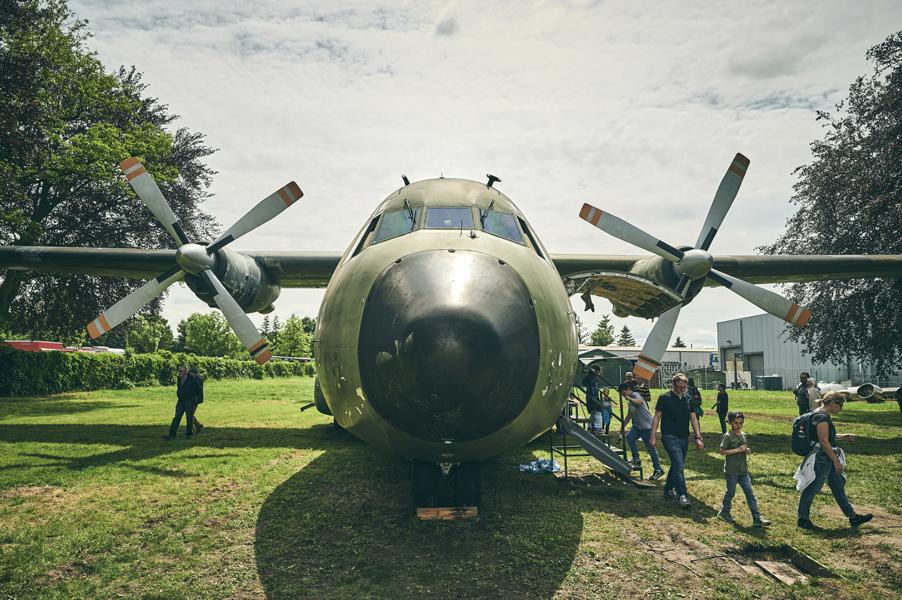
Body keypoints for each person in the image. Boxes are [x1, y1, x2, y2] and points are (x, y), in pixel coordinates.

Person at [796, 392, 873, 529]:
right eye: (840, 405)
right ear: (832, 403)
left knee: (838, 488)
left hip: (825, 458)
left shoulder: (817, 414)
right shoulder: (822, 417)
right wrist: (836, 462)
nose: (841, 408)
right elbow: (824, 442)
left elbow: (826, 436)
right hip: (823, 459)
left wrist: (843, 437)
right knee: (812, 489)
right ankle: (803, 519)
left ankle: (853, 517)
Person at [650, 373, 704, 508]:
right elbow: (657, 417)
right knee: (679, 466)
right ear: (674, 385)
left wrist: (698, 437)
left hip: (683, 437)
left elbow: (694, 419)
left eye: (684, 387)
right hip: (669, 436)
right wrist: (653, 436)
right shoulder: (664, 398)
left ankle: (668, 489)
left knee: (676, 465)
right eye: (679, 386)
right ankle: (682, 495)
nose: (681, 389)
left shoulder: (688, 399)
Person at [716, 412, 770, 527]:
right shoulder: (727, 436)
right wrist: (738, 450)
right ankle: (724, 512)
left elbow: (744, 448)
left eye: (741, 423)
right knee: (730, 492)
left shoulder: (744, 435)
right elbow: (722, 452)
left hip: (743, 470)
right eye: (736, 423)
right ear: (730, 423)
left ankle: (757, 518)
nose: (738, 425)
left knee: (750, 493)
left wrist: (747, 450)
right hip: (731, 471)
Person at [620, 380, 665, 480]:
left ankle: (658, 470)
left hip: (647, 427)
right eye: (622, 394)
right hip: (637, 427)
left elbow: (640, 402)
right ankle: (636, 459)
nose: (623, 396)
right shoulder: (630, 401)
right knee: (630, 438)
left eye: (624, 393)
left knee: (651, 449)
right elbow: (630, 415)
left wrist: (629, 398)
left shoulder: (636, 395)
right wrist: (622, 426)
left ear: (628, 390)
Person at [164, 365, 202, 439]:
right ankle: (172, 434)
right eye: (179, 371)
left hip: (190, 400)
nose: (179, 372)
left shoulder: (192, 379)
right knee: (177, 417)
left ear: (186, 371)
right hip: (181, 400)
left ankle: (189, 434)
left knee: (189, 417)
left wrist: (195, 399)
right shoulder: (179, 379)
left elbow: (198, 389)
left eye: (181, 371)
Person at [583, 365, 603, 433]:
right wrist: (595, 398)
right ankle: (597, 427)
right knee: (598, 413)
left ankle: (590, 426)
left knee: (593, 413)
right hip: (593, 397)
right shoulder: (593, 378)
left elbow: (585, 383)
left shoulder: (590, 377)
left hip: (591, 397)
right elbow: (593, 388)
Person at [189, 367, 205, 433]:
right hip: (193, 399)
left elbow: (197, 391)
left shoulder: (197, 380)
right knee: (190, 414)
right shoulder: (197, 379)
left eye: (190, 373)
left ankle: (195, 427)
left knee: (190, 414)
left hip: (195, 399)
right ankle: (198, 426)